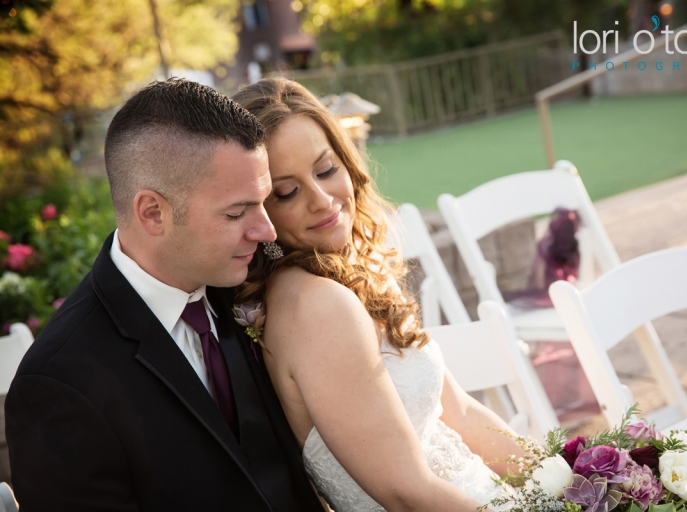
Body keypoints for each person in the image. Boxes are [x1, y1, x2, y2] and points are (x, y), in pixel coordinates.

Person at [4, 79, 326, 512]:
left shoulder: (250, 278)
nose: (266, 230)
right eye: (236, 212)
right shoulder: (58, 387)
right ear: (152, 213)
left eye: (265, 201)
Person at [232, 77, 527, 512]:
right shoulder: (313, 306)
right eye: (287, 192)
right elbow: (408, 494)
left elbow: (460, 413)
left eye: (326, 169)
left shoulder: (353, 275)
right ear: (261, 210)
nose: (322, 200)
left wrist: (572, 482)